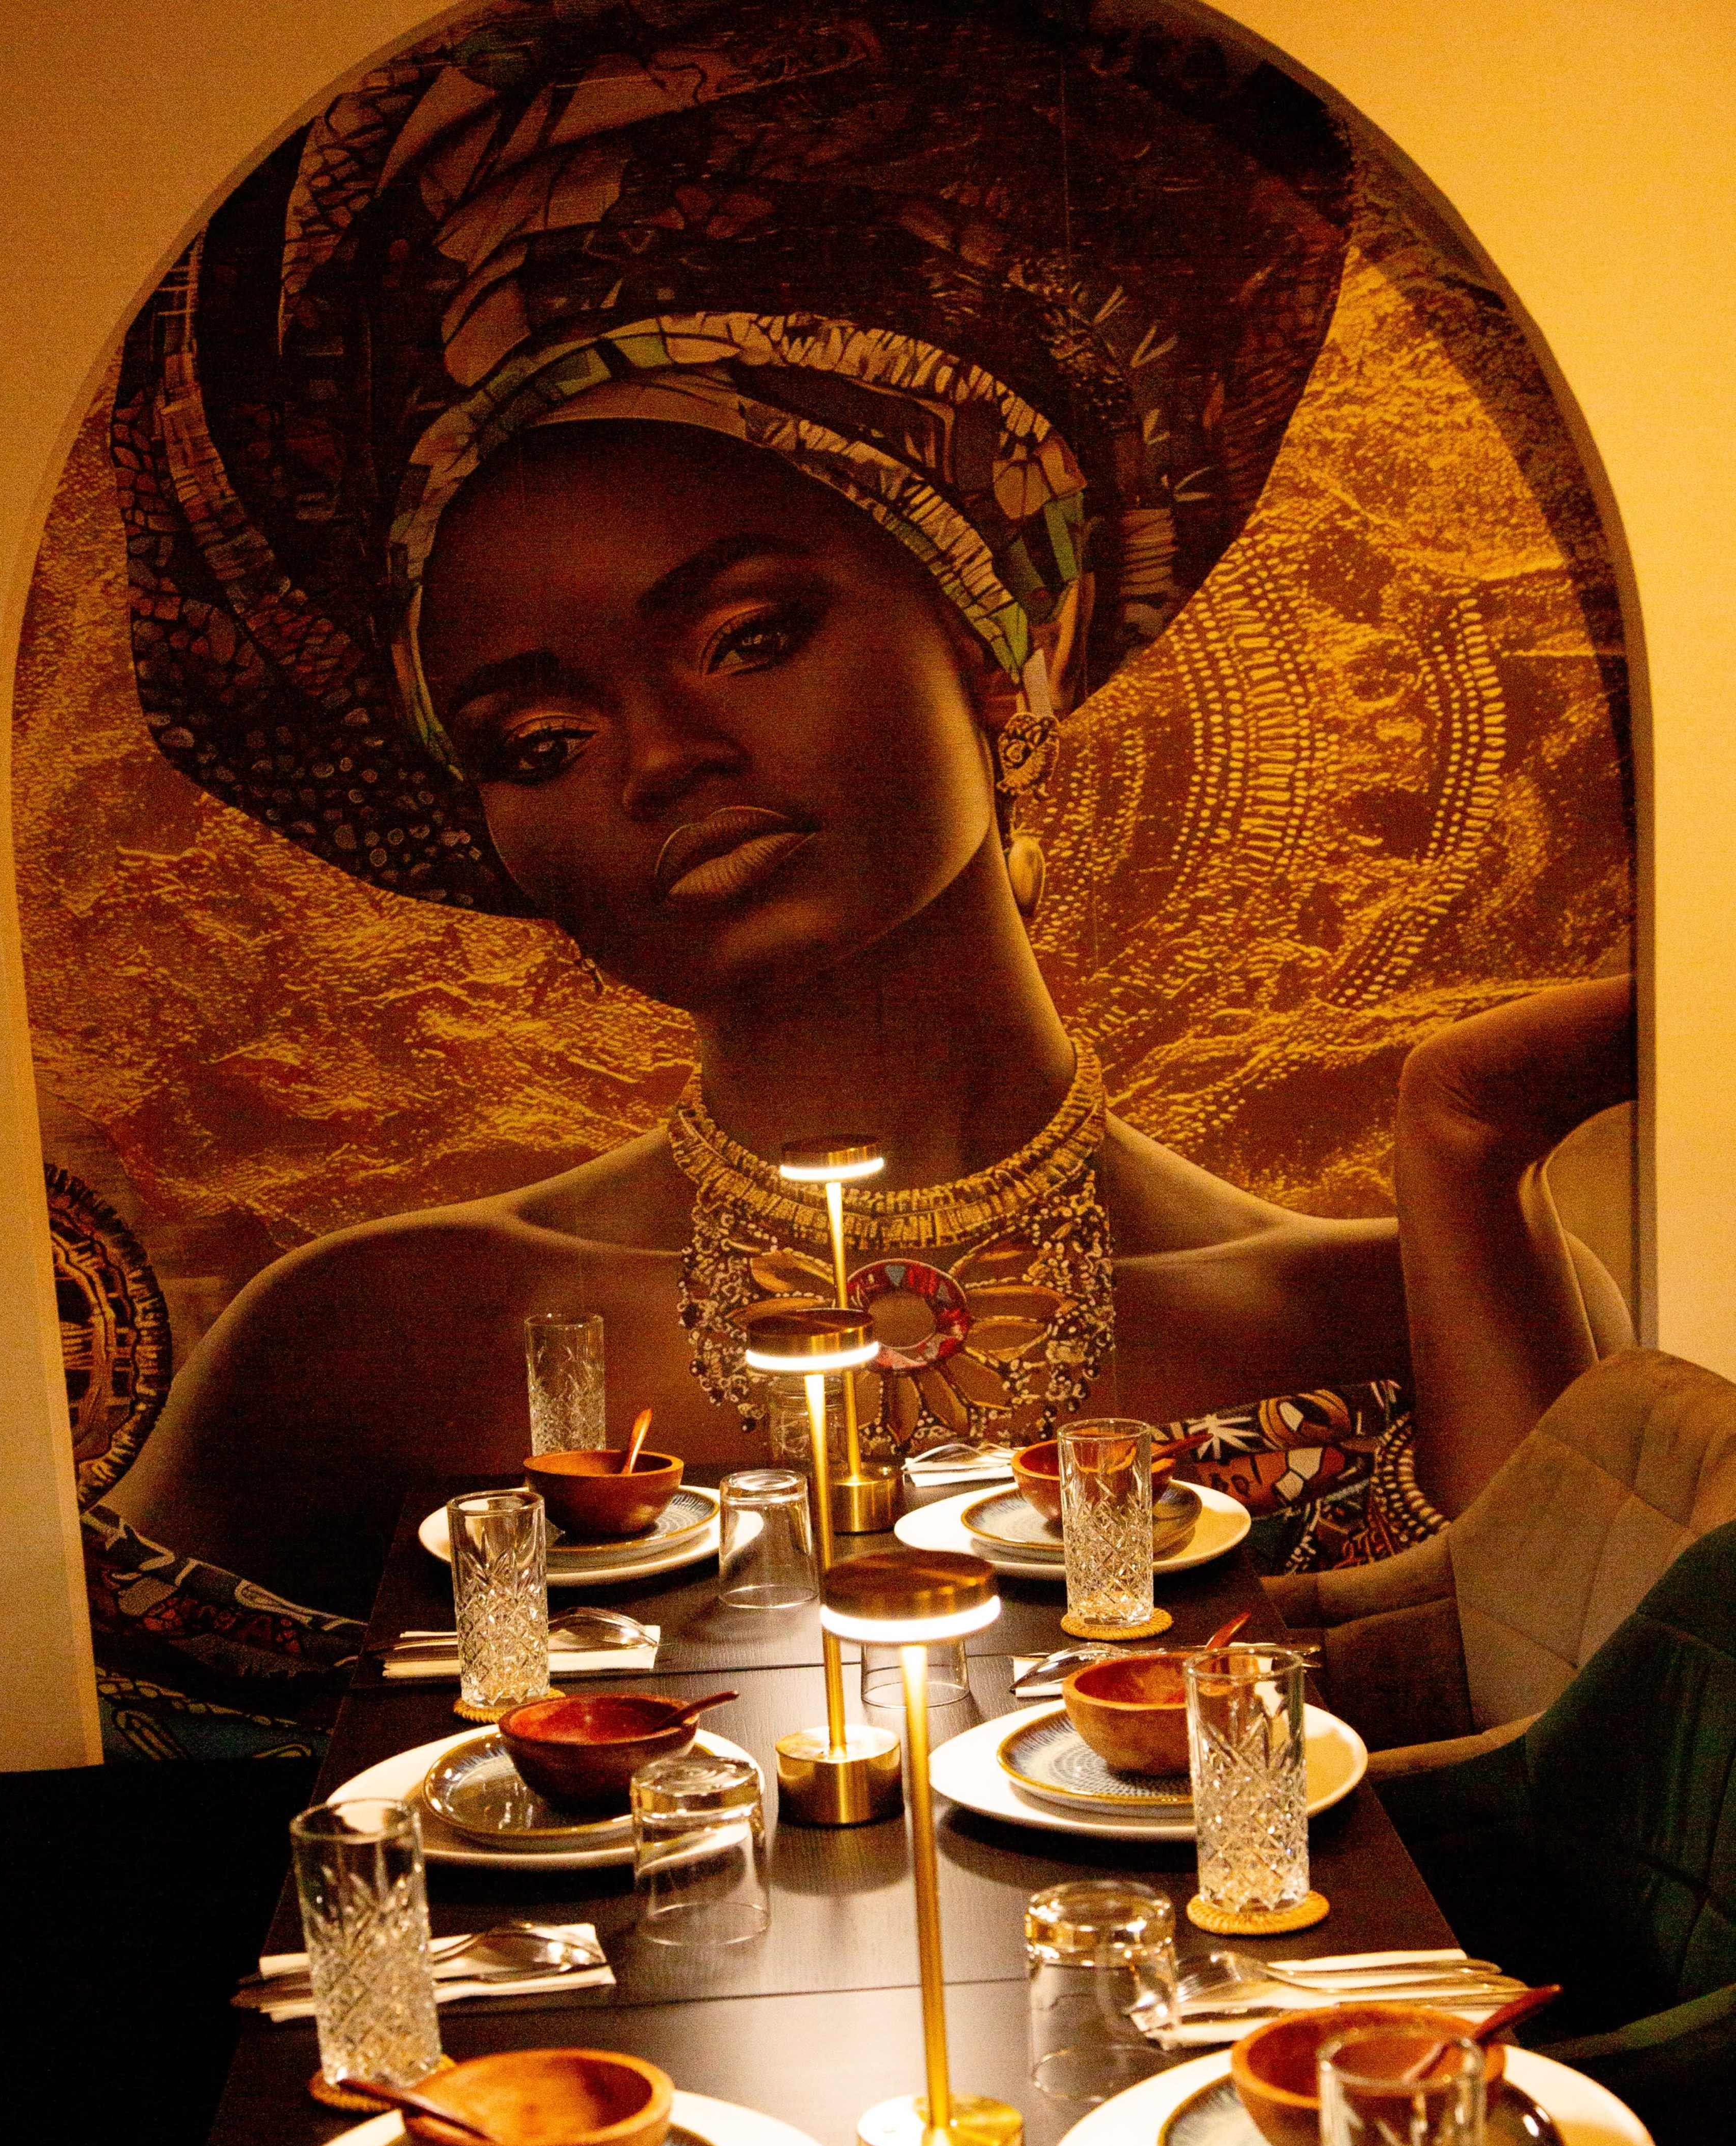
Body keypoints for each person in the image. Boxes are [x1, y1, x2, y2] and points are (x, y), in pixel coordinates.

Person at [94, 1, 1631, 1626]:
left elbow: (1573, 1725)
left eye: (750, 639)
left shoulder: (1392, 1302)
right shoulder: (368, 1338)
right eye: (538, 741)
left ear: (995, 646)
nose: (661, 757)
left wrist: (1468, 1141)